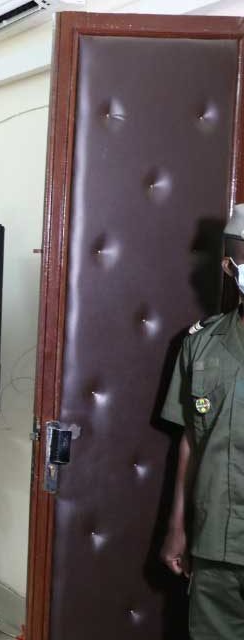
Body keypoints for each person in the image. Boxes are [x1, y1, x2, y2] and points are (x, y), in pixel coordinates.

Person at [161, 204, 244, 640]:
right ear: (231, 268)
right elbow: (191, 442)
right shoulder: (201, 347)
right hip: (218, 544)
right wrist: (178, 527)